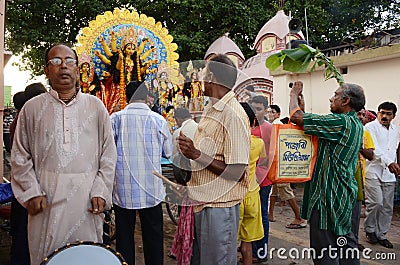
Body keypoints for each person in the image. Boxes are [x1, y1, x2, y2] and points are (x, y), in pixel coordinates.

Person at [11, 44, 117, 265]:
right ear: (46, 70)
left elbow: (108, 154)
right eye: (56, 62)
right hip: (46, 205)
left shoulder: (96, 107)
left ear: (78, 69)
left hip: (87, 204)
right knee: (47, 258)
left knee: (87, 258)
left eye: (69, 61)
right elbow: (20, 156)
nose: (63, 67)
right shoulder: (32, 109)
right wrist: (30, 192)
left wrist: (101, 190)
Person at [177, 54, 250, 265]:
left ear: (211, 76)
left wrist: (195, 154)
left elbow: (237, 172)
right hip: (202, 201)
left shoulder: (233, 114)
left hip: (219, 207)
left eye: (203, 72)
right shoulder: (211, 108)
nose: (199, 77)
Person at [290, 81, 365, 265]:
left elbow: (297, 118)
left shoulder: (340, 123)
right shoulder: (354, 123)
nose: (332, 98)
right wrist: (302, 106)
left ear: (346, 101)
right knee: (346, 246)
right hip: (343, 196)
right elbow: (310, 125)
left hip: (328, 198)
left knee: (325, 251)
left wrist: (293, 94)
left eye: (336, 95)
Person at [111, 80, 172, 265]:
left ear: (127, 97)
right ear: (147, 97)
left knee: (124, 239)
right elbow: (168, 153)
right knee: (153, 238)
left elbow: (108, 152)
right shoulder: (158, 120)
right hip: (151, 189)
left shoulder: (115, 119)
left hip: (123, 189)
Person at [10, 83, 47, 265]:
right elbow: (21, 157)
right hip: (30, 187)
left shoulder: (25, 117)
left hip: (28, 186)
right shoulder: (29, 117)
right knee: (27, 235)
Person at [364, 102, 400, 248]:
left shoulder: (395, 129)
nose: (384, 116)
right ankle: (370, 230)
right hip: (373, 170)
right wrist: (390, 162)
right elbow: (374, 150)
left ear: (394, 116)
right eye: (382, 113)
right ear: (378, 113)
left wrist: (395, 165)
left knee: (387, 206)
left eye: (388, 114)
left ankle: (382, 234)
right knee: (376, 202)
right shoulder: (369, 127)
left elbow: (394, 149)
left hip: (390, 174)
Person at [267, 104, 305, 229]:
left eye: (272, 112)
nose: (270, 113)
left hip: (280, 163)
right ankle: (270, 214)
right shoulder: (274, 124)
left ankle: (299, 217)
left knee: (284, 187)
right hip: (277, 162)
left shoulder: (277, 124)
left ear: (278, 114)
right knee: (274, 189)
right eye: (269, 111)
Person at [238, 102, 265, 265]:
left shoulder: (233, 143)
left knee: (228, 244)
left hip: (235, 197)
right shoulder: (259, 143)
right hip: (253, 194)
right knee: (247, 244)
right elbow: (261, 160)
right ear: (254, 121)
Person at [250, 95, 273, 262]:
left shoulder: (268, 128)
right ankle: (249, 245)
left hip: (262, 178)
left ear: (266, 110)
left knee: (262, 213)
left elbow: (270, 156)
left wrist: (259, 173)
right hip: (248, 177)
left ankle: (261, 250)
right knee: (250, 213)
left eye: (258, 109)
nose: (255, 112)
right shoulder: (248, 126)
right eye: (253, 108)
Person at [350, 109, 374, 252]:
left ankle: (353, 240)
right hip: (344, 177)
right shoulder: (343, 128)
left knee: (355, 214)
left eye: (362, 115)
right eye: (358, 114)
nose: (360, 117)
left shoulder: (365, 133)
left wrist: (359, 147)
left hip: (359, 178)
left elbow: (371, 154)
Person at [171, 107, 198, 185]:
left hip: (188, 173)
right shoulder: (199, 128)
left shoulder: (178, 132)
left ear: (178, 119)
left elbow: (175, 159)